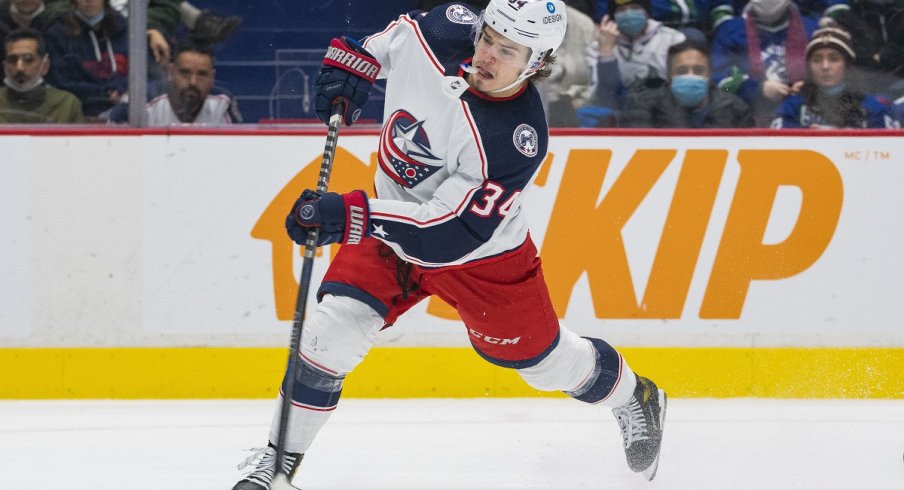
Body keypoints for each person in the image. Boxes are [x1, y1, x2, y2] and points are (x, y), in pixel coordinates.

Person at [231, 1, 667, 489]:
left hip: (479, 257)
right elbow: (380, 45)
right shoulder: (441, 32)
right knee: (332, 331)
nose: (487, 55)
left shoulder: (515, 137)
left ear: (537, 63)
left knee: (544, 365)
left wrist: (350, 214)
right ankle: (277, 461)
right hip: (390, 229)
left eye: (508, 50)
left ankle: (634, 395)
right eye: (486, 37)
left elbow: (446, 234)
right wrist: (351, 65)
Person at [711, 0, 820, 125]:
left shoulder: (812, 30)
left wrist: (808, 87)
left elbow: (836, 83)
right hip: (745, 121)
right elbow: (719, 82)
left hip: (802, 120)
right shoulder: (729, 31)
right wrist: (756, 89)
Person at [771, 26, 893, 128]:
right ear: (808, 66)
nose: (825, 66)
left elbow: (888, 152)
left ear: (847, 65)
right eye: (817, 59)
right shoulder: (792, 105)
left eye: (834, 59)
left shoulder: (872, 107)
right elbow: (779, 151)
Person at [587, 0, 685, 125]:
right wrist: (606, 52)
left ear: (646, 12)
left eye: (635, 7)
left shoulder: (673, 39)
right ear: (612, 17)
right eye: (621, 10)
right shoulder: (597, 47)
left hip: (666, 113)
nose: (628, 14)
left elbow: (680, 90)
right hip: (618, 116)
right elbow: (605, 96)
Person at [622, 39, 754, 127]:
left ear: (709, 74)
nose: (690, 75)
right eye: (682, 70)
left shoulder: (736, 108)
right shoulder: (643, 106)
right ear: (669, 76)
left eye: (698, 70)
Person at [107, 40, 239, 125]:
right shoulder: (140, 102)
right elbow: (112, 150)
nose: (193, 82)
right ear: (170, 72)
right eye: (185, 73)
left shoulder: (222, 103)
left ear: (212, 78)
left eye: (202, 74)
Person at [44, 0, 128, 119]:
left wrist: (120, 87)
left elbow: (143, 73)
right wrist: (104, 93)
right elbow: (62, 82)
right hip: (78, 114)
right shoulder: (58, 34)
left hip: (125, 112)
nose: (89, 1)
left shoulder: (125, 29)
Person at [0, 26, 82, 122]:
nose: (19, 67)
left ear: (45, 66)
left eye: (28, 59)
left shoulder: (67, 104)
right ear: (5, 66)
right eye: (13, 60)